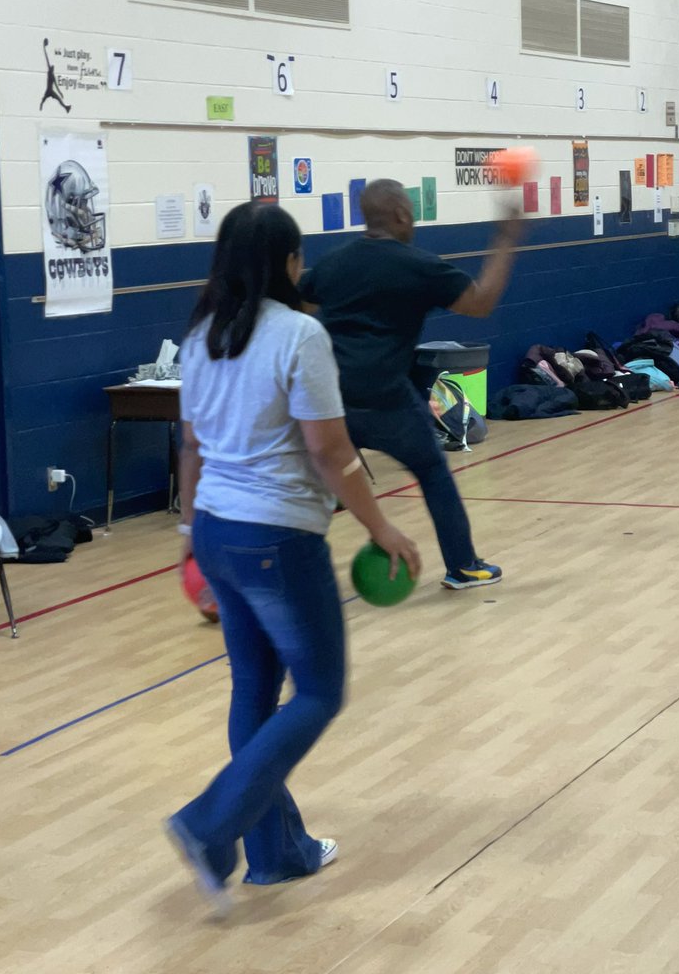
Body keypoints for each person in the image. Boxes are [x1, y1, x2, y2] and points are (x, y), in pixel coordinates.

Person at [166, 201, 420, 913]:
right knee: (318, 691)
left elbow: (190, 447)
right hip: (276, 538)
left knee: (254, 689)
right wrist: (382, 529)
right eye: (299, 257)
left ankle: (276, 855)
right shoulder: (300, 335)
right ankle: (209, 824)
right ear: (288, 264)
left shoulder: (201, 334)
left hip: (218, 529)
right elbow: (331, 452)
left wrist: (190, 537)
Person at [298, 178, 521, 591]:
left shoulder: (331, 263)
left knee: (312, 483)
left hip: (327, 398)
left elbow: (300, 308)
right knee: (433, 471)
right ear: (401, 214)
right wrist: (506, 237)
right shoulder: (418, 265)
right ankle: (463, 566)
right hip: (386, 398)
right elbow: (481, 301)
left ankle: (286, 574)